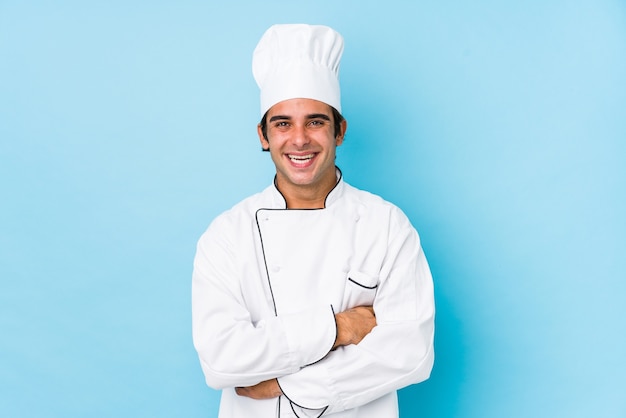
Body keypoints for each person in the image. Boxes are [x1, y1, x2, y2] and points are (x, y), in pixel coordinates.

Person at [192, 23, 435, 417]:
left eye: (316, 122)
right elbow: (221, 360)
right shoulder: (227, 235)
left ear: (339, 130)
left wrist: (287, 384)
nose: (300, 139)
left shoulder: (386, 225)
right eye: (283, 123)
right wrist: (339, 328)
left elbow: (410, 352)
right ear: (263, 136)